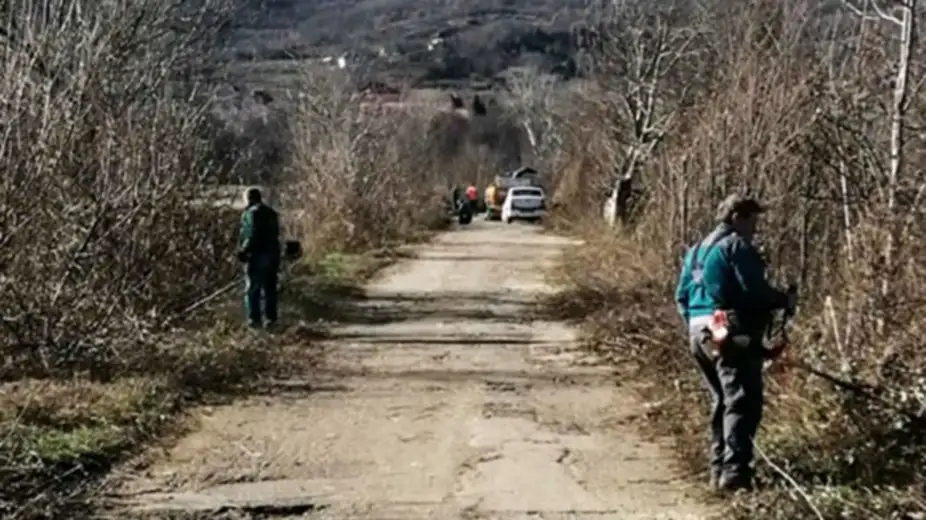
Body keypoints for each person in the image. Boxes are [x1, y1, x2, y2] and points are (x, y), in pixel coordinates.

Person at [674, 193, 796, 493]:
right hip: (728, 331)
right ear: (736, 218)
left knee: (722, 400)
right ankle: (735, 474)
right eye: (752, 220)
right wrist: (783, 300)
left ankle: (719, 469)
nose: (755, 228)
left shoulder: (696, 251)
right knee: (743, 401)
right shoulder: (736, 246)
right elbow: (753, 292)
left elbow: (681, 296)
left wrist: (698, 326)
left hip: (697, 331)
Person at [238, 187, 281, 329]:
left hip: (257, 255)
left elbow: (252, 234)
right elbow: (276, 234)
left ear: (248, 198)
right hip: (273, 254)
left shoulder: (250, 213)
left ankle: (254, 320)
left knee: (253, 289)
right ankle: (271, 319)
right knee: (270, 288)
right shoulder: (271, 213)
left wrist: (244, 250)